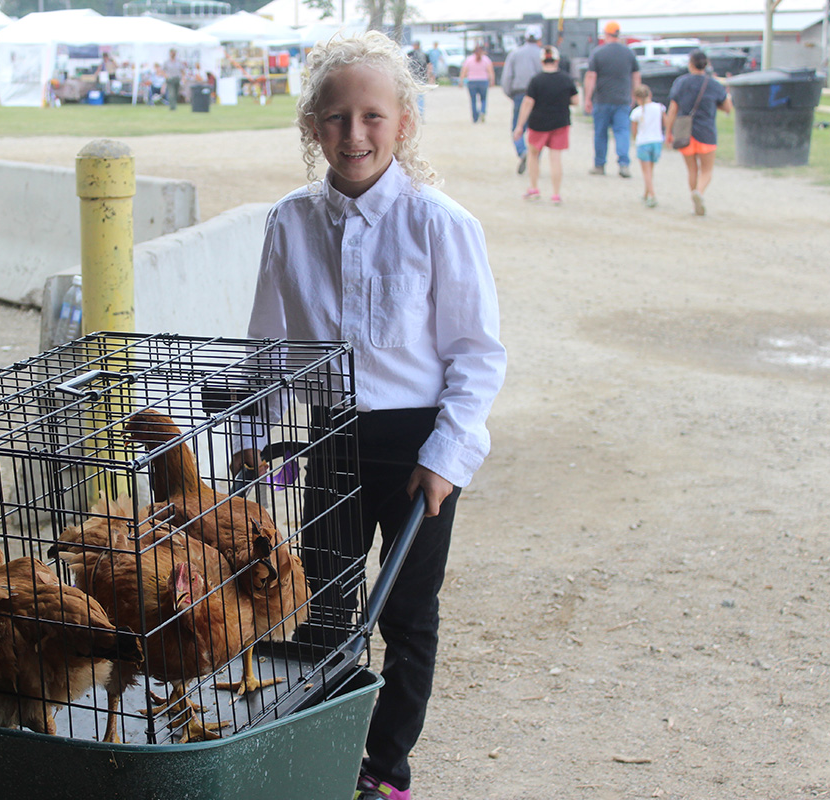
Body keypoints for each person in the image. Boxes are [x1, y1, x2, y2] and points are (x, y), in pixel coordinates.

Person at [235, 31, 505, 800]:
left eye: (372, 117)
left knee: (407, 613)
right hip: (333, 440)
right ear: (311, 125)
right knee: (320, 606)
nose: (354, 134)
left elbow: (477, 354)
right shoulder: (290, 222)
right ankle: (320, 753)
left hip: (420, 447)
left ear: (404, 123)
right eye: (336, 117)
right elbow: (270, 349)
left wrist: (446, 456)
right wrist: (254, 435)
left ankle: (384, 770)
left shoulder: (439, 223)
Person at [664, 49, 733, 216]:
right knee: (707, 170)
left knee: (692, 169)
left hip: (685, 131)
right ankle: (699, 192)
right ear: (706, 64)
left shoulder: (680, 83)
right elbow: (727, 108)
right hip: (706, 132)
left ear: (690, 64)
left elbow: (673, 110)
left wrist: (668, 132)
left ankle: (694, 199)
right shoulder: (714, 84)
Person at [513, 45, 578, 204]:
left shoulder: (536, 80)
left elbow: (528, 102)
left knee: (533, 155)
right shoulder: (566, 79)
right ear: (557, 60)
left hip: (538, 123)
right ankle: (556, 194)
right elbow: (576, 101)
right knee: (555, 158)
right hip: (560, 122)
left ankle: (534, 188)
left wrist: (520, 125)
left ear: (542, 61)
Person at [583, 21, 640, 177]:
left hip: (602, 100)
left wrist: (588, 98)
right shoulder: (629, 53)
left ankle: (599, 165)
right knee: (622, 132)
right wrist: (634, 95)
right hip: (622, 100)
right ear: (618, 34)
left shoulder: (598, 53)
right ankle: (623, 164)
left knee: (600, 133)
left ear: (606, 34)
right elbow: (636, 76)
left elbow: (591, 76)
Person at [500, 24, 544, 174]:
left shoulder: (515, 54)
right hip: (540, 96)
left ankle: (522, 151)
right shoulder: (542, 54)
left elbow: (507, 77)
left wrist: (510, 94)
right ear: (539, 38)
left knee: (517, 128)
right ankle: (535, 158)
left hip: (520, 94)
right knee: (538, 130)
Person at [629, 84, 666, 207]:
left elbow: (634, 130)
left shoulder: (636, 112)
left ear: (636, 98)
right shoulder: (659, 108)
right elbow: (664, 122)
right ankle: (646, 193)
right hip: (657, 141)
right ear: (650, 94)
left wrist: (635, 139)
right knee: (651, 170)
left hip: (643, 142)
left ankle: (652, 195)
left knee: (646, 172)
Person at [462, 42, 495, 123]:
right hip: (483, 81)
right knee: (483, 99)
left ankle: (475, 117)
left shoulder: (469, 59)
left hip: (472, 81)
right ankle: (482, 111)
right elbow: (490, 71)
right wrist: (492, 80)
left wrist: (461, 80)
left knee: (473, 100)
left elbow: (464, 71)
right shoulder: (486, 60)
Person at [407, 40, 433, 120]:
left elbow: (406, 65)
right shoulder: (424, 54)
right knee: (420, 97)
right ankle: (420, 114)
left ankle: (414, 114)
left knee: (413, 97)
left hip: (413, 78)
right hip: (422, 78)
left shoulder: (410, 54)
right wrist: (429, 75)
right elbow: (429, 65)